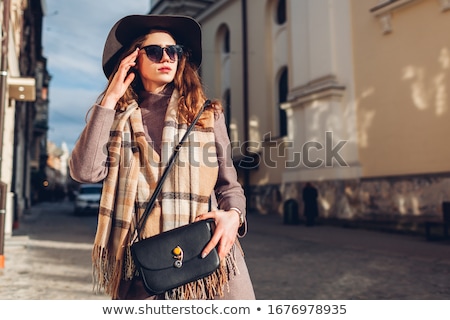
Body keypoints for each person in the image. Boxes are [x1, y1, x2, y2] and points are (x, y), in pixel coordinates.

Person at [69, 14, 255, 300]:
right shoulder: (115, 118)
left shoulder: (205, 114)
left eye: (174, 51)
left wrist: (234, 216)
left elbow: (229, 185)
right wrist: (108, 100)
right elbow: (84, 171)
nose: (166, 57)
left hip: (207, 261)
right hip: (143, 268)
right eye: (155, 52)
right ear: (133, 60)